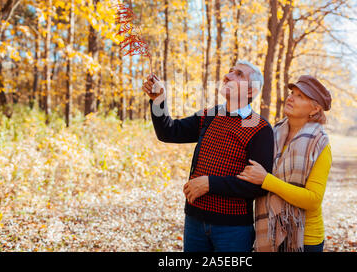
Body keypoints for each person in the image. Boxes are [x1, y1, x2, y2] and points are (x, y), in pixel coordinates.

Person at [142, 60, 274, 252]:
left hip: (233, 229)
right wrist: (158, 101)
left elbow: (258, 185)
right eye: (229, 71)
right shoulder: (211, 115)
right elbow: (169, 132)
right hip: (194, 221)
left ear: (251, 91)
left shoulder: (259, 127)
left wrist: (209, 184)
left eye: (238, 74)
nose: (227, 75)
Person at [237, 75, 332, 252]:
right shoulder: (273, 132)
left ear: (315, 109)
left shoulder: (319, 144)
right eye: (292, 93)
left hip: (304, 239)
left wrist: (267, 181)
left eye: (300, 96)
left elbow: (313, 199)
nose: (290, 97)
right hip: (269, 232)